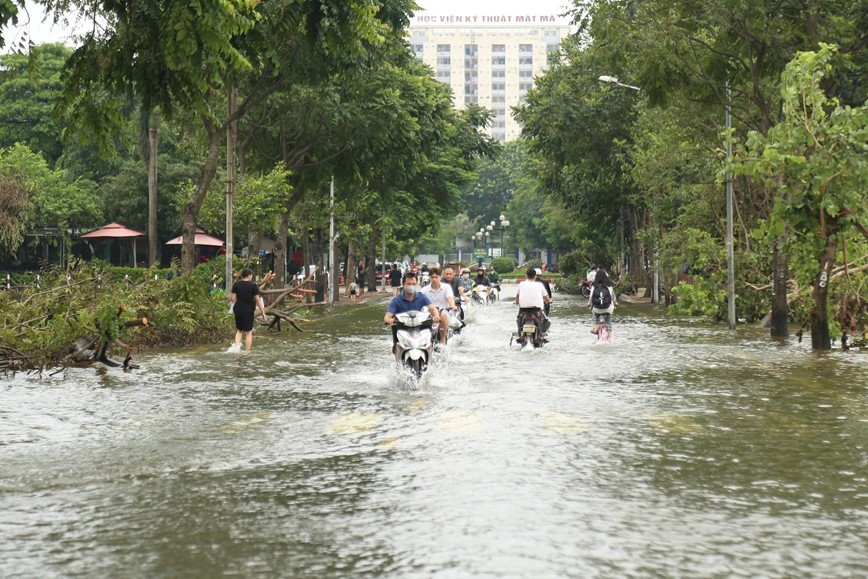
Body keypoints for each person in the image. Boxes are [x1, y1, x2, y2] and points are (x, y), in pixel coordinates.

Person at [384, 272, 441, 357]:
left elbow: (432, 308)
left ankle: (430, 355)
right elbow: (387, 317)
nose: (411, 286)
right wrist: (390, 320)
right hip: (403, 330)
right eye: (409, 284)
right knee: (396, 345)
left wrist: (436, 316)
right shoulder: (396, 301)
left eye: (413, 284)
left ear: (417, 284)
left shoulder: (422, 297)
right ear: (403, 285)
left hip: (421, 329)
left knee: (432, 340)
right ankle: (398, 359)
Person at [230, 268, 268, 352]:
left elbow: (233, 299)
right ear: (249, 276)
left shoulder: (236, 285)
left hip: (238, 309)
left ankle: (236, 349)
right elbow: (258, 300)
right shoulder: (253, 286)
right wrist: (263, 313)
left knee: (239, 330)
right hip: (248, 310)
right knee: (248, 332)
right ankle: (247, 352)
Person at [420, 266, 456, 345]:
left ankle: (443, 340)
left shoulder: (446, 287)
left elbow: (450, 298)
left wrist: (452, 305)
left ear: (440, 277)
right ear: (429, 278)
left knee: (442, 314)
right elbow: (418, 302)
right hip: (429, 314)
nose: (434, 279)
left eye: (436, 277)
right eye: (432, 277)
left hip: (444, 312)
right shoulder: (424, 290)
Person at [515, 267, 552, 335]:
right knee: (546, 320)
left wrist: (517, 302)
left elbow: (517, 296)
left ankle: (520, 333)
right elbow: (546, 297)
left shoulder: (521, 284)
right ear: (535, 276)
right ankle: (543, 334)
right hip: (537, 309)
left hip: (523, 309)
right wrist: (549, 301)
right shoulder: (540, 285)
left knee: (518, 317)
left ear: (526, 275)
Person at [588, 269, 618, 337]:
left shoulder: (594, 287)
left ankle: (595, 328)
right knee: (609, 322)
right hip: (608, 309)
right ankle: (610, 336)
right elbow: (613, 298)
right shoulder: (609, 287)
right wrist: (615, 303)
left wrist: (589, 304)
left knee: (595, 315)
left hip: (597, 309)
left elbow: (590, 299)